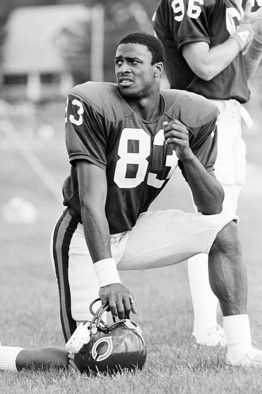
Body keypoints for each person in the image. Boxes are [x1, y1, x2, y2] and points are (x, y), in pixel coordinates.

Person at [1, 32, 261, 371]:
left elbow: (213, 205)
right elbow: (93, 205)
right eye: (119, 62)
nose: (123, 68)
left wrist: (187, 156)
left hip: (133, 230)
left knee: (223, 227)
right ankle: (5, 357)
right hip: (83, 236)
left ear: (156, 70)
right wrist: (108, 278)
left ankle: (240, 349)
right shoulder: (93, 103)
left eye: (133, 62)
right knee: (88, 360)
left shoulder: (192, 112)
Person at [153, 0, 262, 346]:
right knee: (215, 222)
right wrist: (246, 32)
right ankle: (209, 327)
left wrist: (255, 40)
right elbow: (204, 65)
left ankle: (209, 326)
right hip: (203, 111)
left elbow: (237, 69)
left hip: (227, 114)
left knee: (220, 218)